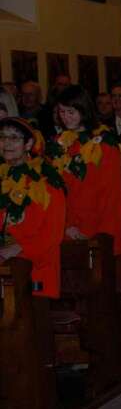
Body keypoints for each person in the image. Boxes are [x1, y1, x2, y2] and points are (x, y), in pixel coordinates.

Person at [46, 85, 121, 255]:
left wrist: (104, 234)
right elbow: (52, 191)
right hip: (64, 226)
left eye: (71, 112)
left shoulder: (105, 143)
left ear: (84, 110)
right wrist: (65, 225)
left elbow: (112, 193)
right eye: (62, 112)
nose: (66, 117)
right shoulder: (58, 143)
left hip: (95, 226)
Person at [0, 117, 67, 299]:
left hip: (35, 270)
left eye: (14, 138)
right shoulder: (2, 176)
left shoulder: (47, 181)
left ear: (29, 144)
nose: (6, 143)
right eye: (3, 137)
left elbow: (53, 234)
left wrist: (16, 248)